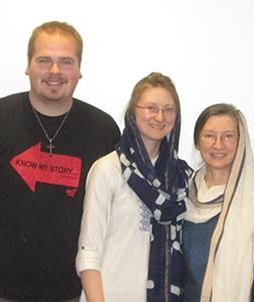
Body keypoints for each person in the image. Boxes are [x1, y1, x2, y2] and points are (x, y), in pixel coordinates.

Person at [0, 21, 120, 302]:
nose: (54, 71)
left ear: (79, 70)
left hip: (70, 294)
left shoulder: (103, 131)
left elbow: (111, 221)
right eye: (44, 60)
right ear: (28, 66)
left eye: (66, 61)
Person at [76, 72, 191, 301]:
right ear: (133, 112)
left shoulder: (181, 178)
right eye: (150, 108)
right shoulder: (108, 170)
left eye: (168, 109)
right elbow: (89, 253)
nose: (160, 117)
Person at [183, 103, 254, 302]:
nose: (218, 145)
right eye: (209, 136)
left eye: (228, 136)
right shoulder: (182, 193)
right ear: (197, 142)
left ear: (240, 141)